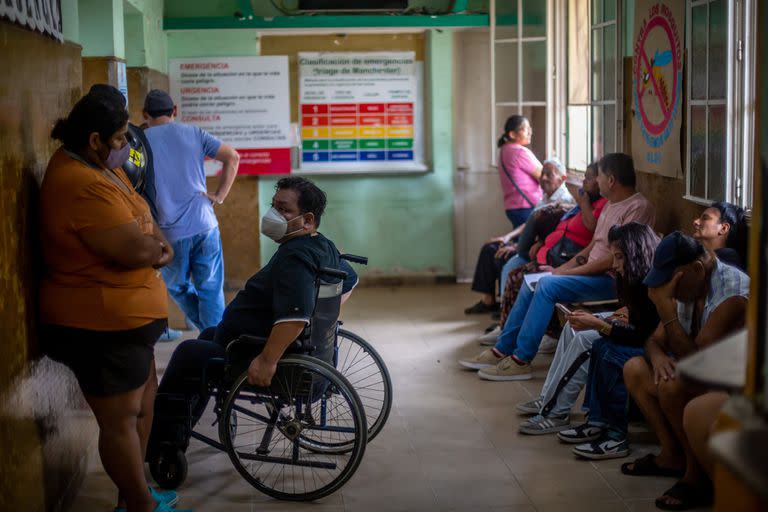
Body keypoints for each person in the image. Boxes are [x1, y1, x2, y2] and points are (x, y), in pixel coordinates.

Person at [39, 88, 186, 512]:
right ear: (94, 139)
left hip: (131, 319)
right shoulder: (80, 183)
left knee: (142, 408)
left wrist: (156, 243)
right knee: (121, 420)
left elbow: (144, 215)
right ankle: (140, 506)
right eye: (120, 137)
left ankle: (134, 495)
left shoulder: (104, 167)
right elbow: (137, 249)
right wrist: (155, 247)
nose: (126, 145)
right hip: (100, 324)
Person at [148, 177, 357, 454]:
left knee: (189, 353)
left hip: (261, 353)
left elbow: (295, 317)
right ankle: (183, 424)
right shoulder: (322, 245)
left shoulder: (294, 259)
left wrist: (268, 360)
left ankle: (163, 445)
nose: (273, 215)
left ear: (307, 220)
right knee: (208, 337)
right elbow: (350, 280)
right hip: (281, 344)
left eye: (283, 209)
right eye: (273, 206)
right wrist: (321, 318)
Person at [459, 153, 655, 380]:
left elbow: (613, 260)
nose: (594, 181)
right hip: (592, 274)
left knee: (547, 286)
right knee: (532, 282)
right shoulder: (611, 205)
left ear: (611, 180)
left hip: (612, 280)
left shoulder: (639, 207)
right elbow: (593, 246)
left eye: (598, 176)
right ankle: (502, 349)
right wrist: (559, 270)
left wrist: (566, 272)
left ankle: (521, 360)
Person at [622, 232, 748, 510]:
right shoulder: (690, 285)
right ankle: (672, 456)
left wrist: (666, 312)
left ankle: (697, 476)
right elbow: (654, 341)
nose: (669, 289)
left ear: (696, 269)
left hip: (735, 388)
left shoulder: (733, 295)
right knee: (635, 369)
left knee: (672, 385)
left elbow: (696, 364)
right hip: (707, 377)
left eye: (672, 280)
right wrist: (656, 357)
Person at [517, 223, 659, 436]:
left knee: (585, 338)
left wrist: (600, 324)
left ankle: (555, 413)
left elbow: (643, 334)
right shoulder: (632, 275)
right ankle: (549, 398)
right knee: (572, 327)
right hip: (633, 327)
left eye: (619, 257)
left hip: (644, 341)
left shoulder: (653, 281)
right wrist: (616, 315)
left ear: (636, 253)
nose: (614, 265)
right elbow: (636, 312)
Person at [142, 89, 241, 332]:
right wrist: (219, 196)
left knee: (178, 287)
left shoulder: (140, 142)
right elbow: (233, 157)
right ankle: (216, 342)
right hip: (204, 225)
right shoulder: (194, 133)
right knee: (210, 289)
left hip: (169, 233)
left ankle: (211, 336)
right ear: (174, 111)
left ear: (145, 114)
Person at [465, 158, 573, 314]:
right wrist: (508, 237)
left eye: (549, 175)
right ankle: (493, 304)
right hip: (531, 242)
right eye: (542, 173)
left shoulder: (564, 201)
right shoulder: (546, 197)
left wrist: (521, 246)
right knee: (490, 248)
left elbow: (557, 233)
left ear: (562, 178)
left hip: (541, 248)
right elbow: (529, 223)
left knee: (506, 263)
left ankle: (505, 312)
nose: (543, 178)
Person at [496, 115, 543, 228]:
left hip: (513, 207)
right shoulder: (519, 152)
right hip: (526, 206)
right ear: (512, 134)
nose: (530, 132)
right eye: (525, 129)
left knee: (521, 241)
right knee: (529, 244)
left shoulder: (504, 150)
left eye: (529, 128)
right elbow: (543, 176)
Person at [691, 201, 748, 270]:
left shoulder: (727, 262)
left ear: (724, 228)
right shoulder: (699, 253)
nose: (695, 222)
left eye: (705, 218)